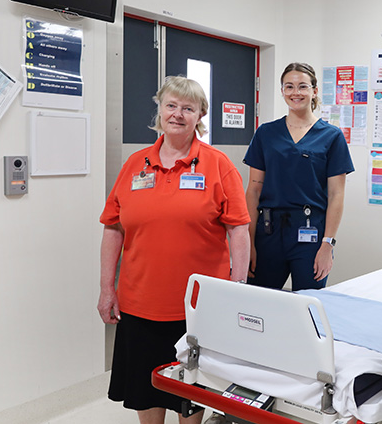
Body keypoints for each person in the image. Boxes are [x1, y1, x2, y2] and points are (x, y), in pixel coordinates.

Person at [97, 76, 250, 424]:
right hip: (139, 303)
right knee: (144, 388)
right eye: (171, 105)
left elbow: (238, 231)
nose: (177, 114)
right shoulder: (135, 164)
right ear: (160, 110)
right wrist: (107, 288)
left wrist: (238, 290)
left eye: (188, 108)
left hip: (197, 306)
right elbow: (113, 228)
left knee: (189, 396)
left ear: (200, 116)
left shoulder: (218, 164)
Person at [244, 62, 354, 290]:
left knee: (309, 307)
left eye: (303, 86)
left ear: (314, 91)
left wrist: (328, 245)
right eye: (289, 87)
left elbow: (336, 195)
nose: (296, 93)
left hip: (311, 234)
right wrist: (248, 242)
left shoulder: (331, 136)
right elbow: (254, 190)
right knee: (260, 303)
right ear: (282, 91)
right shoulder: (266, 133)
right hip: (268, 233)